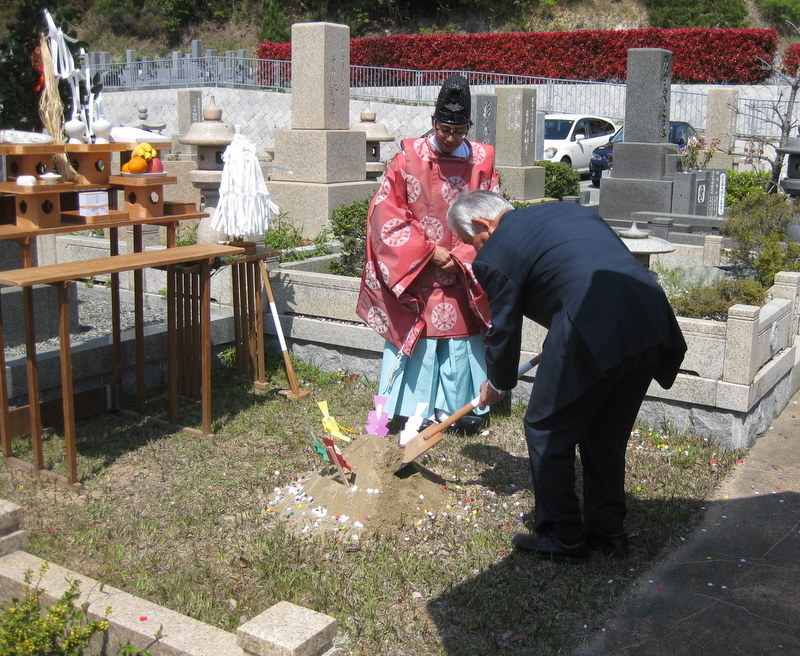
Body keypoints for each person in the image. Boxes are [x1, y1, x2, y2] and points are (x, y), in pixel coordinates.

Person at [446, 190, 687, 563]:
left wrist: (498, 383)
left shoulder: (495, 253)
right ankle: (609, 532)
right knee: (605, 435)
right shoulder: (567, 212)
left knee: (546, 427)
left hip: (590, 326)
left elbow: (504, 329)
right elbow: (578, 269)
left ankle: (563, 538)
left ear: (483, 224)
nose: (475, 251)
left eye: (471, 242)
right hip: (649, 320)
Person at [356, 75, 500, 435]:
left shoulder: (482, 161)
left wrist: (464, 254)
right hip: (417, 270)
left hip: (463, 270)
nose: (451, 138)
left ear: (469, 126)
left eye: (459, 130)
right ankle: (405, 412)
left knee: (459, 339)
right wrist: (428, 252)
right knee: (417, 338)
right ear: (434, 122)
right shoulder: (406, 159)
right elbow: (385, 212)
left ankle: (460, 411)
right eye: (444, 129)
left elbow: (495, 213)